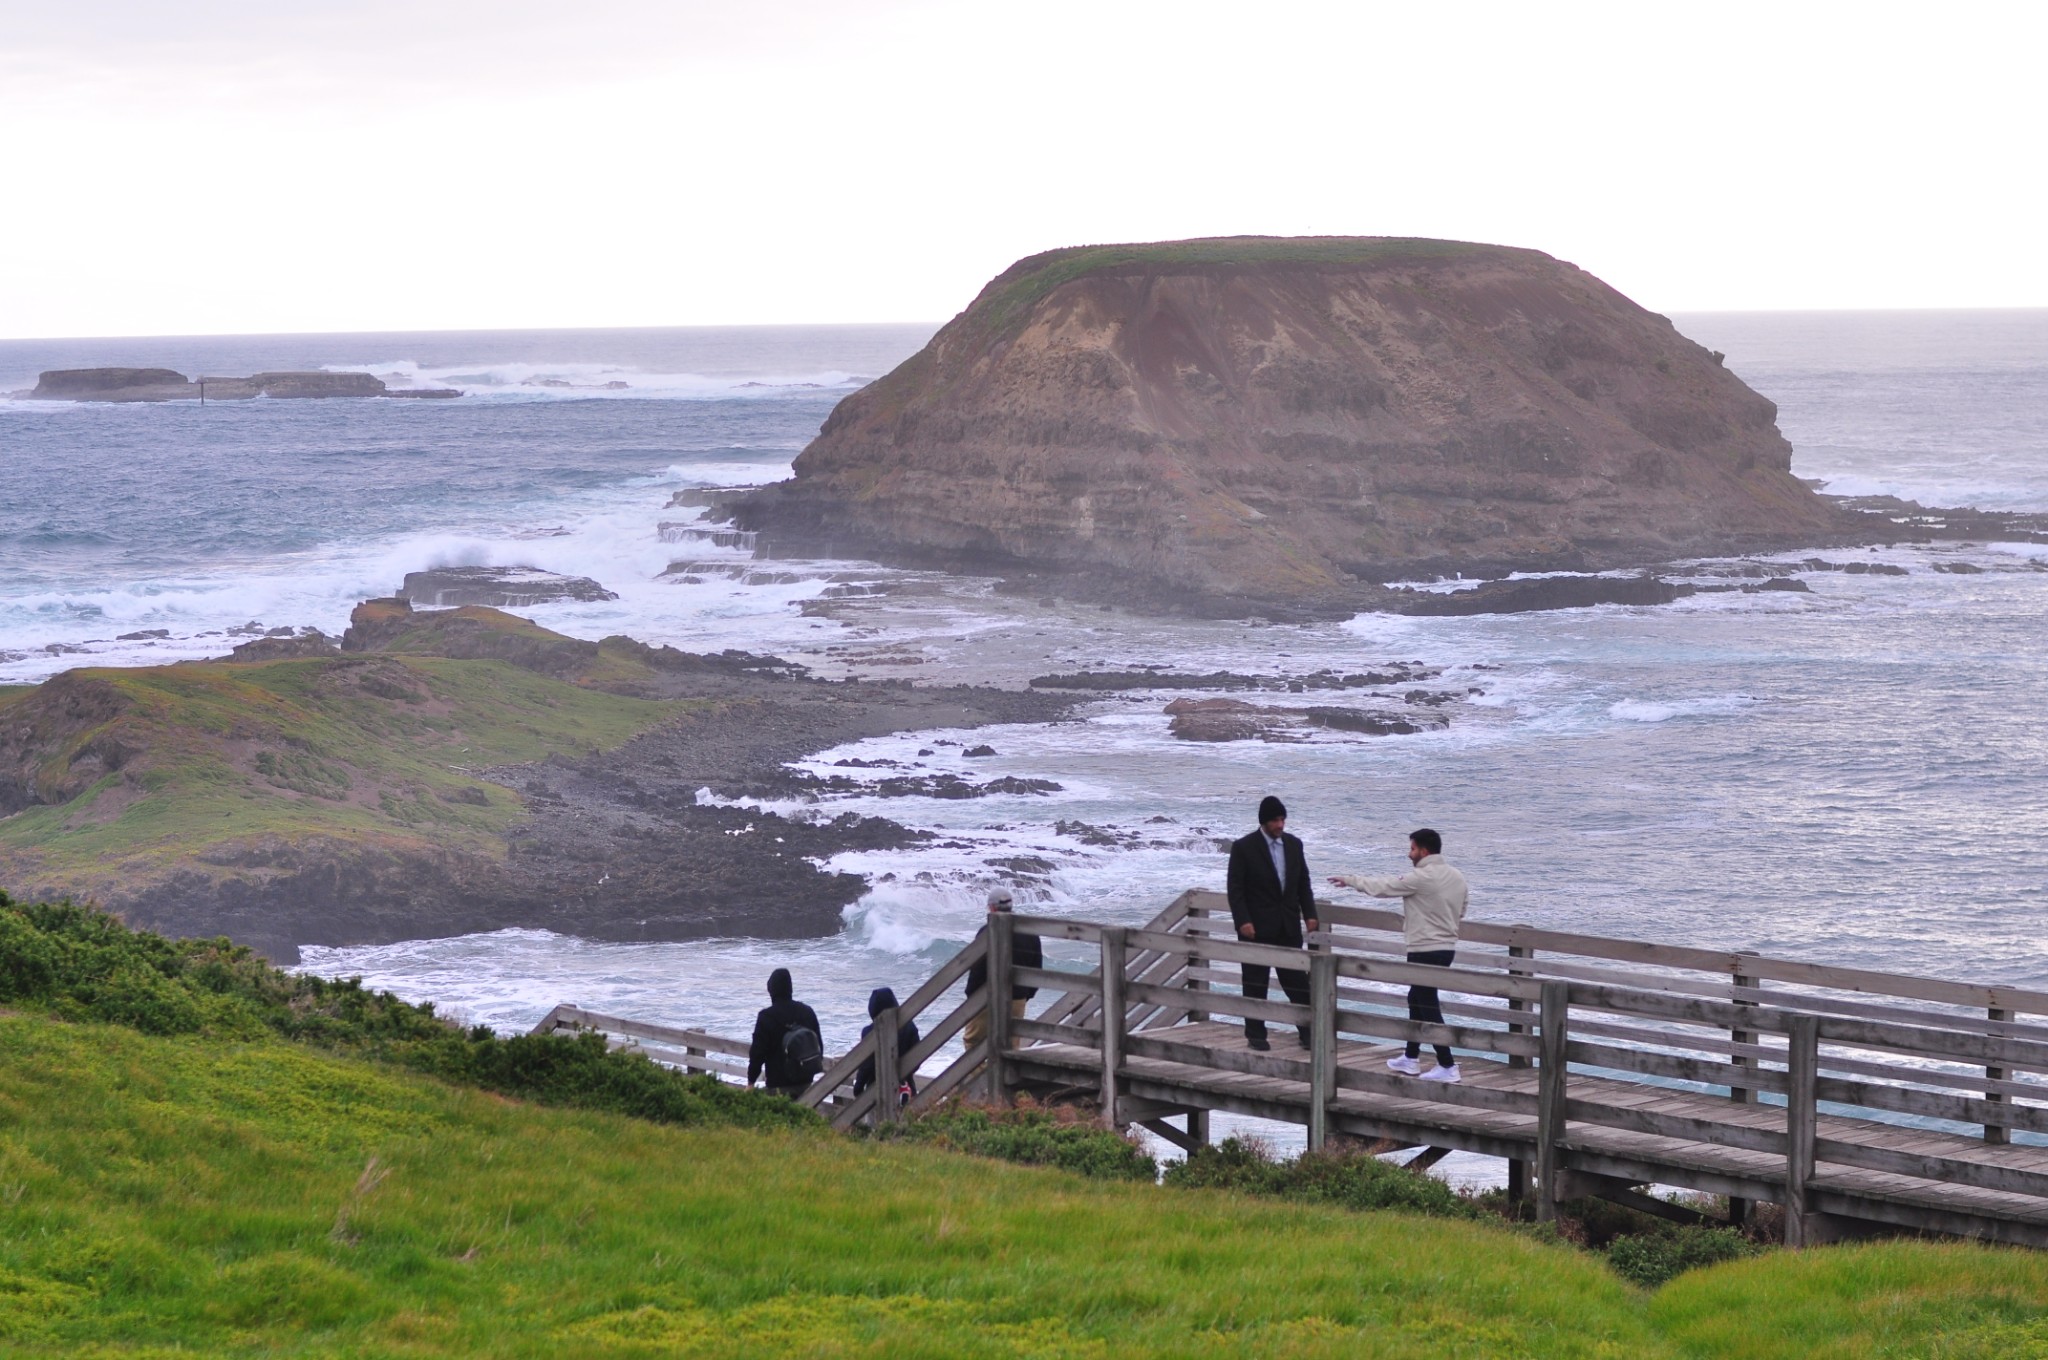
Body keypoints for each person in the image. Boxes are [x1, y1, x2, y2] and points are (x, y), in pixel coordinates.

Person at [1330, 827, 1469, 1083]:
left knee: (1426, 1002)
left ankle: (1447, 1064)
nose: (1409, 854)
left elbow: (1383, 887)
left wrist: (1350, 880)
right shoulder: (1457, 876)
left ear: (1424, 851)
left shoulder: (1422, 877)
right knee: (1416, 998)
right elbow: (1462, 910)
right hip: (1446, 948)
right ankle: (1411, 1057)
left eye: (1412, 848)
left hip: (1423, 948)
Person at [1225, 795, 1319, 1051]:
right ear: (1264, 822)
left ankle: (1308, 1032)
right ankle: (1256, 1034)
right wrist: (1242, 921)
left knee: (1297, 984)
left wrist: (1310, 914)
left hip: (1287, 926)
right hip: (1255, 929)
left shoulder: (1294, 845)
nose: (1280, 825)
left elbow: (1303, 883)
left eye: (1282, 819)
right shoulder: (1244, 847)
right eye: (1276, 820)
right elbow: (1235, 889)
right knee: (1255, 983)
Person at [963, 886, 1042, 1051]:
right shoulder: (1029, 932)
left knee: (974, 1042)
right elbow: (1037, 967)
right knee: (1011, 1046)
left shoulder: (987, 932)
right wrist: (1026, 995)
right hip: (1018, 998)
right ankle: (1007, 1077)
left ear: (991, 908)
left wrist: (971, 996)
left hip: (987, 998)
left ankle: (981, 1078)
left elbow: (977, 970)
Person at [746, 966, 825, 1098]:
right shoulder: (807, 1012)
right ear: (790, 988)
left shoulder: (766, 1017)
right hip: (806, 1086)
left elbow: (757, 1054)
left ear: (771, 991)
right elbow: (819, 1048)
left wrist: (750, 1082)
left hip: (777, 1088)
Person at [852, 985, 921, 1102]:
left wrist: (858, 1087)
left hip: (875, 1091)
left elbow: (866, 1066)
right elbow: (917, 1059)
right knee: (905, 1118)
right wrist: (903, 1072)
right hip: (906, 1088)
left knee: (876, 1120)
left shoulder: (869, 1032)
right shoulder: (910, 1027)